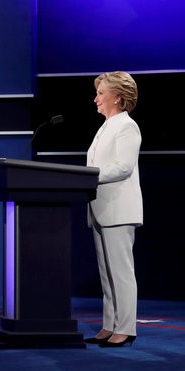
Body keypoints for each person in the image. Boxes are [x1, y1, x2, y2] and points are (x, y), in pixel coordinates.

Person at [84, 71, 142, 348]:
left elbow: (123, 167)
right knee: (106, 273)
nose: (95, 99)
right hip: (100, 208)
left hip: (119, 210)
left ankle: (126, 328)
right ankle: (110, 324)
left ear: (117, 98)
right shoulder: (106, 126)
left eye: (101, 94)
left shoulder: (126, 126)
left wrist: (87, 175)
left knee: (120, 271)